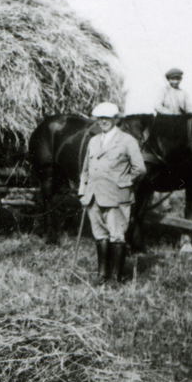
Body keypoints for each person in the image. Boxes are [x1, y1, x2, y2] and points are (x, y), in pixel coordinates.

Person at [78, 102, 146, 285]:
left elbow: (140, 169)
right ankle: (102, 274)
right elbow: (85, 168)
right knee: (99, 235)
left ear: (116, 119)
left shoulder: (127, 140)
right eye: (100, 118)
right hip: (94, 196)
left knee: (117, 236)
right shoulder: (93, 141)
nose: (103, 121)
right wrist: (83, 190)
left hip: (117, 197)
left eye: (107, 118)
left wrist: (124, 182)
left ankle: (115, 277)